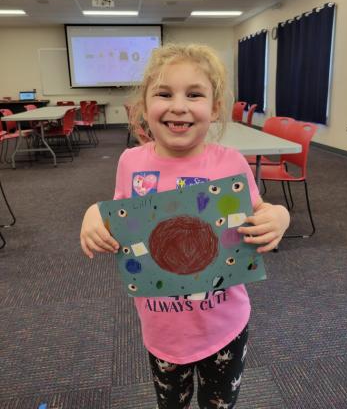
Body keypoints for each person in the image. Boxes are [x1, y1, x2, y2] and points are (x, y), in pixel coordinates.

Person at [80, 43, 290, 409]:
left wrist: (280, 217)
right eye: (164, 94)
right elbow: (118, 214)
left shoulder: (230, 162)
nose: (178, 106)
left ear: (214, 108)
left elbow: (260, 209)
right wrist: (93, 213)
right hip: (162, 330)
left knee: (219, 404)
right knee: (171, 404)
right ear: (144, 107)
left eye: (194, 94)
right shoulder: (131, 162)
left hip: (225, 325)